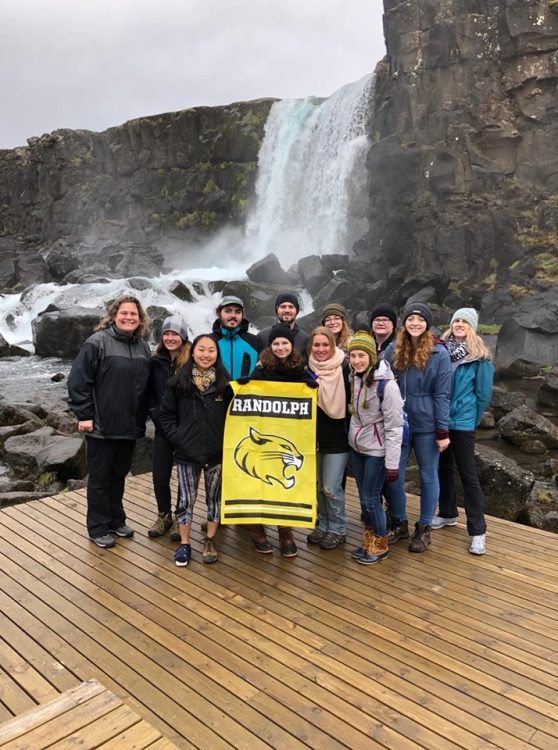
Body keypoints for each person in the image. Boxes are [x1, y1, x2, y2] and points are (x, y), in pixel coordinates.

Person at [67, 295, 151, 548]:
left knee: (119, 475)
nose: (129, 317)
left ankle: (116, 520)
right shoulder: (97, 343)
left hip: (129, 425)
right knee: (101, 478)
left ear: (140, 319)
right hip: (102, 426)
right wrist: (84, 415)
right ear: (114, 316)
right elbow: (79, 381)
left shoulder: (142, 347)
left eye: (133, 314)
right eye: (124, 313)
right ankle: (98, 527)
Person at [384, 302, 452, 553]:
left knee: (428, 475)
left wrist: (442, 431)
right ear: (404, 323)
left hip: (427, 423)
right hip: (398, 422)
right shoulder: (393, 349)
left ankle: (423, 529)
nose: (415, 323)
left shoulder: (439, 353)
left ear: (427, 324)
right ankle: (400, 522)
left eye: (420, 319)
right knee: (394, 475)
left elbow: (443, 394)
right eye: (411, 319)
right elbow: (378, 381)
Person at [159, 334, 229, 566]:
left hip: (215, 453)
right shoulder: (178, 382)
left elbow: (239, 413)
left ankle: (210, 539)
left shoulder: (226, 385)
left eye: (211, 350)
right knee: (186, 499)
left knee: (214, 499)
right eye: (201, 349)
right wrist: (178, 437)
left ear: (217, 354)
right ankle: (185, 543)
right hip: (187, 452)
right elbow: (166, 415)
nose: (206, 355)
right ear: (193, 352)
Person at [433, 308, 494, 555]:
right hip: (441, 421)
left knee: (468, 475)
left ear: (472, 327)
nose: (459, 324)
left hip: (463, 423)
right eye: (456, 320)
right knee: (443, 469)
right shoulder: (441, 350)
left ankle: (478, 531)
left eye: (464, 322)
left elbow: (484, 395)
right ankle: (447, 513)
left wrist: (470, 418)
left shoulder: (480, 357)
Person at [248, 323, 312, 557]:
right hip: (265, 436)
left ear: (291, 345)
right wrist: (246, 382)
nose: (280, 346)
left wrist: (309, 388)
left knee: (286, 484)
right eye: (276, 343)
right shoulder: (262, 367)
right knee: (260, 483)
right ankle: (257, 529)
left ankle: (286, 530)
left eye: (284, 342)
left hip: (289, 435)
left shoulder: (300, 368)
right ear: (270, 345)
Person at [347, 331, 404, 564]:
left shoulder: (387, 386)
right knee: (364, 499)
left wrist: (392, 463)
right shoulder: (356, 377)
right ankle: (369, 540)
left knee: (371, 499)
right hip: (358, 447)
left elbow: (395, 427)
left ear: (371, 356)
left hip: (377, 451)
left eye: (362, 355)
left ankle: (380, 544)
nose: (357, 360)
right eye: (353, 356)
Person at [147, 315, 191, 540]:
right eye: (167, 334)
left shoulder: (192, 361)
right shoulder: (155, 363)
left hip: (186, 429)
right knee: (160, 474)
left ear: (183, 336)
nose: (171, 338)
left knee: (184, 476)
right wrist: (157, 416)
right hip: (163, 427)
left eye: (175, 334)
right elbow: (150, 395)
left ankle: (180, 516)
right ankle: (164, 515)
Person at [306, 326, 350, 549]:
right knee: (316, 486)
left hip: (337, 438)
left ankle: (338, 528)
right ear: (310, 347)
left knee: (331, 486)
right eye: (317, 345)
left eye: (325, 345)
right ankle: (323, 524)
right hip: (313, 438)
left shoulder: (345, 366)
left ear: (332, 345)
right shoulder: (306, 369)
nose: (321, 349)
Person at [212, 295, 261, 379]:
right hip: (217, 392)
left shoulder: (255, 341)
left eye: (238, 312)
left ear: (242, 315)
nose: (233, 316)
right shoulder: (209, 341)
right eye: (228, 311)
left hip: (247, 391)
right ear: (219, 313)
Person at [257, 293, 309, 357]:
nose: (287, 310)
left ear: (297, 310)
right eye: (283, 306)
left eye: (291, 307)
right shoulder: (262, 336)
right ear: (277, 309)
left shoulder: (305, 339)